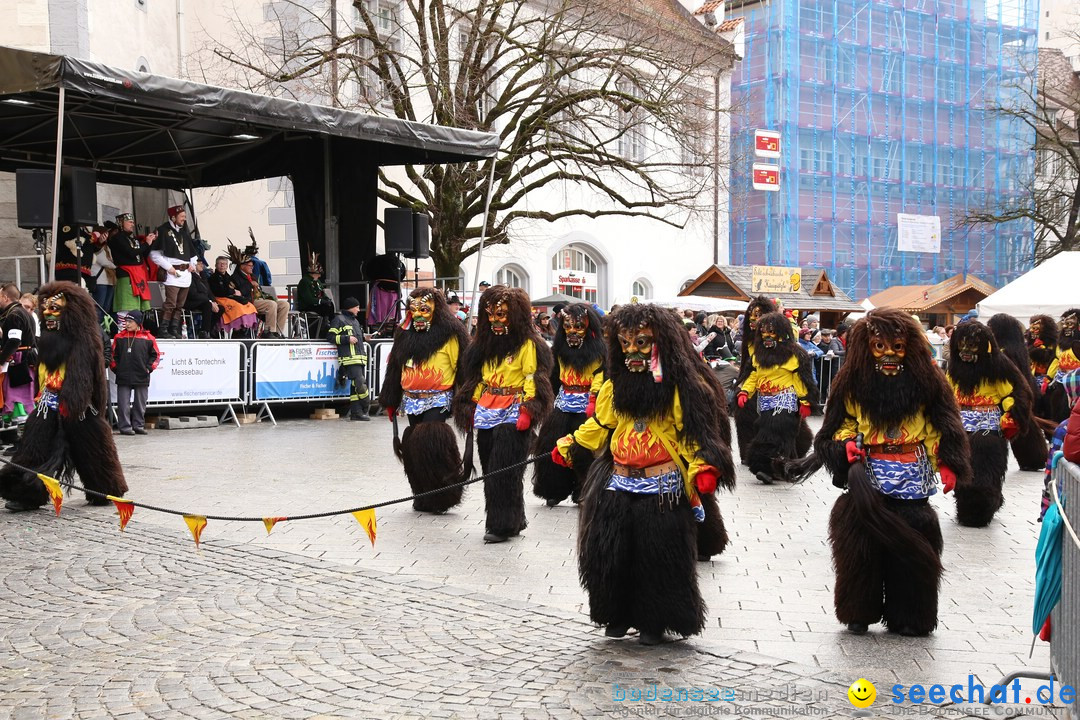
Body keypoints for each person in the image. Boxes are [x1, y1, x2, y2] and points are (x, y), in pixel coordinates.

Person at [552, 302, 735, 645]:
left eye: (641, 342)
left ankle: (656, 620)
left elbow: (697, 435)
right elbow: (601, 425)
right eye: (625, 343)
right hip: (618, 481)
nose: (632, 351)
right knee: (609, 552)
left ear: (660, 343)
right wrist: (570, 445)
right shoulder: (613, 387)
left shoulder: (683, 389)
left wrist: (705, 467)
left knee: (656, 557)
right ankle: (615, 614)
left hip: (663, 485)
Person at [785, 309, 972, 637]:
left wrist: (948, 461)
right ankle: (858, 608)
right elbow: (834, 429)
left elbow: (943, 425)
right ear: (865, 348)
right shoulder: (850, 385)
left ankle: (911, 615)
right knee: (860, 549)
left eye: (897, 347)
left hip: (912, 480)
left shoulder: (930, 384)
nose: (888, 354)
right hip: (868, 480)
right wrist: (843, 447)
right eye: (879, 346)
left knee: (913, 553)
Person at [0, 281, 128, 512]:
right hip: (48, 401)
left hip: (78, 405)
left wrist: (73, 401)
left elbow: (85, 373)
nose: (48, 312)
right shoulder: (49, 339)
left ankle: (105, 488)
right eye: (46, 308)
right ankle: (25, 493)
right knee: (33, 446)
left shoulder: (84, 338)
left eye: (55, 308)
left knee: (92, 448)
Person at [454, 285, 554, 543]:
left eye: (502, 315)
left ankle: (501, 525)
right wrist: (471, 406)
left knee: (504, 469)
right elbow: (475, 379)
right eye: (491, 315)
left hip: (515, 408)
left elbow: (535, 377)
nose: (496, 321)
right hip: (487, 408)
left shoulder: (530, 345)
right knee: (491, 468)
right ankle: (514, 518)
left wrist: (529, 409)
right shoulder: (481, 346)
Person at [378, 289, 470, 512]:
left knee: (432, 443)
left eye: (424, 309)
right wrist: (391, 399)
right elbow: (395, 367)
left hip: (437, 397)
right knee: (414, 447)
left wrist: (468, 401)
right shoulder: (404, 333)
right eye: (414, 309)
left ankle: (442, 496)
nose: (418, 314)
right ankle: (421, 494)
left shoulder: (451, 333)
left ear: (435, 309)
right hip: (411, 398)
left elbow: (464, 368)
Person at [946, 320, 1032, 527]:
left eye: (972, 346)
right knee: (962, 468)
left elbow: (1012, 392)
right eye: (962, 345)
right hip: (961, 425)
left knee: (984, 469)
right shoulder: (954, 371)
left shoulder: (997, 369)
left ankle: (982, 506)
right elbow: (946, 394)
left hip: (987, 426)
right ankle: (965, 505)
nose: (965, 351)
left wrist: (1011, 413)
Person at [533, 303, 605, 507]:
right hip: (563, 403)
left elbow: (600, 375)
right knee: (550, 444)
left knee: (582, 449)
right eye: (568, 327)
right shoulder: (558, 350)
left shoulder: (600, 351)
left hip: (587, 405)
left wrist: (593, 399)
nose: (572, 331)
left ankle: (582, 489)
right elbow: (553, 377)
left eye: (578, 327)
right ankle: (554, 489)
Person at [737, 311, 816, 485]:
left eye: (771, 332)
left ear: (780, 332)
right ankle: (789, 467)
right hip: (765, 401)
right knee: (779, 434)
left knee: (774, 432)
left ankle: (764, 467)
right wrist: (745, 392)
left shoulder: (794, 354)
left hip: (785, 400)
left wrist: (805, 400)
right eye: (764, 332)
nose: (767, 335)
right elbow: (753, 376)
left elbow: (800, 378)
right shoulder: (758, 355)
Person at [987, 313, 1048, 471]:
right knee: (1023, 426)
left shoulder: (1003, 352)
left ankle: (1033, 458)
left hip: (1008, 394)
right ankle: (1034, 458)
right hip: (1018, 391)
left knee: (1017, 427)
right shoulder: (1017, 350)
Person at [150, 205, 198, 338]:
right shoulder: (162, 230)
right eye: (182, 216)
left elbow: (193, 254)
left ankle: (174, 329)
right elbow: (154, 254)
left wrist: (192, 264)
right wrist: (168, 268)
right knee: (170, 303)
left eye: (184, 216)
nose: (184, 219)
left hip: (185, 274)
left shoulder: (184, 232)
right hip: (172, 273)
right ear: (173, 217)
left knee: (180, 305)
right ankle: (163, 330)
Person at [110, 311, 160, 436]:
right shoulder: (119, 337)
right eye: (126, 321)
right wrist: (117, 368)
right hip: (123, 375)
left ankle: (138, 425)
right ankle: (125, 427)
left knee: (140, 403)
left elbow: (156, 355)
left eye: (130, 321)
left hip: (142, 375)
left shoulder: (149, 338)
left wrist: (148, 368)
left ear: (138, 323)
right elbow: (112, 356)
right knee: (123, 404)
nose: (126, 324)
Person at [230, 243, 289, 338]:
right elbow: (239, 292)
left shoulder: (253, 276)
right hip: (248, 301)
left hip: (258, 299)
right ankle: (269, 331)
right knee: (271, 304)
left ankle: (278, 332)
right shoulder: (235, 277)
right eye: (249, 265)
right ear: (242, 266)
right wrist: (250, 285)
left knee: (284, 305)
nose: (252, 267)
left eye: (252, 265)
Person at [0, 284, 37, 430]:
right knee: (19, 401)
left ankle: (21, 443)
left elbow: (15, 341)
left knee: (19, 402)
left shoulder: (15, 314)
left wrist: (1, 360)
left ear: (5, 297)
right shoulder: (23, 313)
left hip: (20, 360)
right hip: (24, 358)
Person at [328, 297, 370, 421]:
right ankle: (365, 406)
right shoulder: (339, 319)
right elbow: (330, 336)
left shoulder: (355, 322)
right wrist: (347, 339)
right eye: (357, 307)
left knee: (355, 386)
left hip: (360, 358)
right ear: (351, 307)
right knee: (360, 384)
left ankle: (356, 413)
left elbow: (358, 338)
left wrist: (365, 337)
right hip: (349, 358)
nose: (358, 309)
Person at [109, 213, 154, 313]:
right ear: (121, 223)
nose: (132, 224)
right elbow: (131, 253)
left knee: (137, 309)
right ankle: (124, 328)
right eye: (130, 222)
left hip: (138, 275)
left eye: (133, 222)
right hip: (127, 275)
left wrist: (150, 243)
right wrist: (146, 244)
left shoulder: (133, 238)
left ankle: (135, 328)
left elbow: (142, 255)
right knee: (127, 307)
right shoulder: (118, 238)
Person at [208, 255, 258, 336]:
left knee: (248, 306)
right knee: (238, 308)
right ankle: (238, 330)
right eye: (220, 263)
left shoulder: (228, 277)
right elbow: (220, 291)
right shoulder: (212, 278)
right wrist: (232, 291)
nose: (222, 265)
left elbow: (231, 289)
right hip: (220, 299)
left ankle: (246, 328)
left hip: (230, 297)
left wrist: (232, 291)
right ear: (216, 265)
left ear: (227, 266)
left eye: (224, 264)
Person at [1027, 314, 1059, 424]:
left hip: (1048, 379)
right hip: (1032, 378)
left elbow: (1053, 360)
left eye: (1036, 328)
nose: (1032, 331)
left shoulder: (1054, 344)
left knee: (1048, 406)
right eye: (1031, 328)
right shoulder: (1029, 344)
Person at [90, 224, 117, 328]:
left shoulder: (107, 247)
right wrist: (116, 266)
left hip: (109, 281)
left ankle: (103, 331)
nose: (106, 235)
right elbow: (104, 261)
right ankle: (96, 330)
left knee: (105, 309)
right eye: (104, 233)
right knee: (99, 309)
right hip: (100, 281)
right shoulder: (96, 247)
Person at [296, 252, 334, 323]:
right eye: (318, 274)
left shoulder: (317, 281)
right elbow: (308, 299)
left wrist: (326, 299)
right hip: (307, 306)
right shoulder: (304, 281)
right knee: (325, 307)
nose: (319, 276)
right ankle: (325, 323)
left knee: (329, 304)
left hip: (316, 304)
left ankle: (329, 322)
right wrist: (320, 301)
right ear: (313, 273)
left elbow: (322, 292)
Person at [184, 259, 219, 339]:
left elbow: (209, 291)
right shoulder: (190, 276)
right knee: (208, 305)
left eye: (202, 264)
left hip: (203, 300)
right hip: (192, 301)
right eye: (199, 264)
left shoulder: (203, 275)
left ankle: (209, 329)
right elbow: (193, 293)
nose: (202, 265)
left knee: (220, 308)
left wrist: (214, 301)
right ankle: (204, 331)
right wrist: (209, 301)